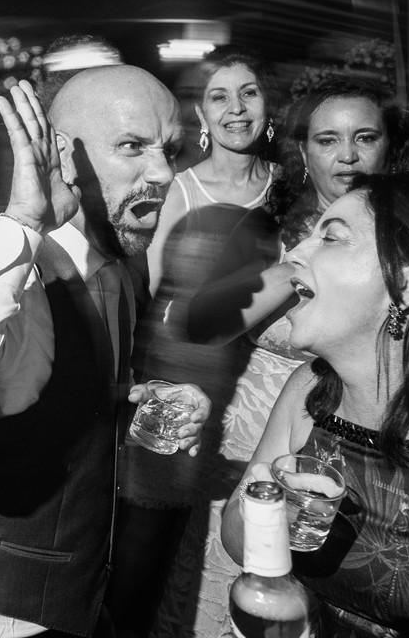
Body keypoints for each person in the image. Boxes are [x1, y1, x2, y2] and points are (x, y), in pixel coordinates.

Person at [0, 66, 210, 638]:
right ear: (61, 156)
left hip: (67, 600)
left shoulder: (116, 270)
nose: (162, 172)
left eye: (170, 150)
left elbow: (58, 398)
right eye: (131, 147)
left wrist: (139, 400)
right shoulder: (7, 273)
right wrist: (24, 221)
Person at [152, 74, 401, 636]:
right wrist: (307, 258)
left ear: (387, 146)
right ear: (303, 152)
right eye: (327, 140)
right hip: (253, 455)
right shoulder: (269, 230)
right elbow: (200, 325)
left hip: (369, 456)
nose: (348, 156)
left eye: (365, 138)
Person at [220, 171, 409, 638]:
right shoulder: (306, 392)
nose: (293, 254)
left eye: (331, 238)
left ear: (407, 280)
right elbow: (236, 539)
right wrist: (266, 512)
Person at [110, 46, 279, 635]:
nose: (236, 109)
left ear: (268, 105)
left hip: (265, 400)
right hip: (180, 391)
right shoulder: (176, 190)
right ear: (200, 118)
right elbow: (145, 305)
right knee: (145, 560)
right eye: (219, 96)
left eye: (249, 92)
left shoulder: (294, 191)